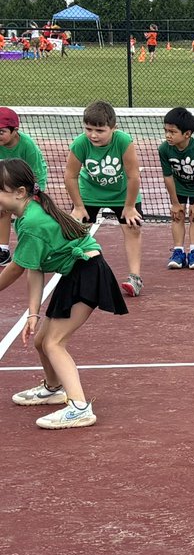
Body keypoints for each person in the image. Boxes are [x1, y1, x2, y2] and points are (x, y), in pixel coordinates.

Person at [0, 159, 129, 429]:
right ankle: (53, 388)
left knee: (53, 343)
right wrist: (33, 313)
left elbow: (15, 270)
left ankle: (79, 407)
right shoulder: (25, 216)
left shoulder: (33, 222)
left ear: (20, 192)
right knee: (41, 340)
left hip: (87, 273)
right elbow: (34, 270)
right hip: (75, 273)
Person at [64, 101, 145, 297]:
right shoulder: (80, 143)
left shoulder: (124, 142)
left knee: (132, 227)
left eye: (100, 130)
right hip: (89, 192)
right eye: (89, 129)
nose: (93, 135)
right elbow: (70, 176)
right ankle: (77, 277)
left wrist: (130, 206)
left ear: (113, 128)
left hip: (122, 194)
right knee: (77, 232)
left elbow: (133, 176)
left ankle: (135, 278)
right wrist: (78, 206)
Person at [158, 107, 194, 270]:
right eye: (166, 130)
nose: (168, 135)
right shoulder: (164, 149)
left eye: (172, 132)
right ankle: (178, 251)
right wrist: (174, 202)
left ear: (187, 134)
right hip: (178, 185)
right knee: (177, 215)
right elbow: (168, 177)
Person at [0, 107, 50, 267]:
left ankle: (36, 249)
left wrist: (36, 194)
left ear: (15, 130)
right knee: (3, 210)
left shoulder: (28, 146)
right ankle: (3, 250)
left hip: (29, 182)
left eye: (1, 132)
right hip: (6, 181)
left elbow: (37, 173)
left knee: (30, 216)